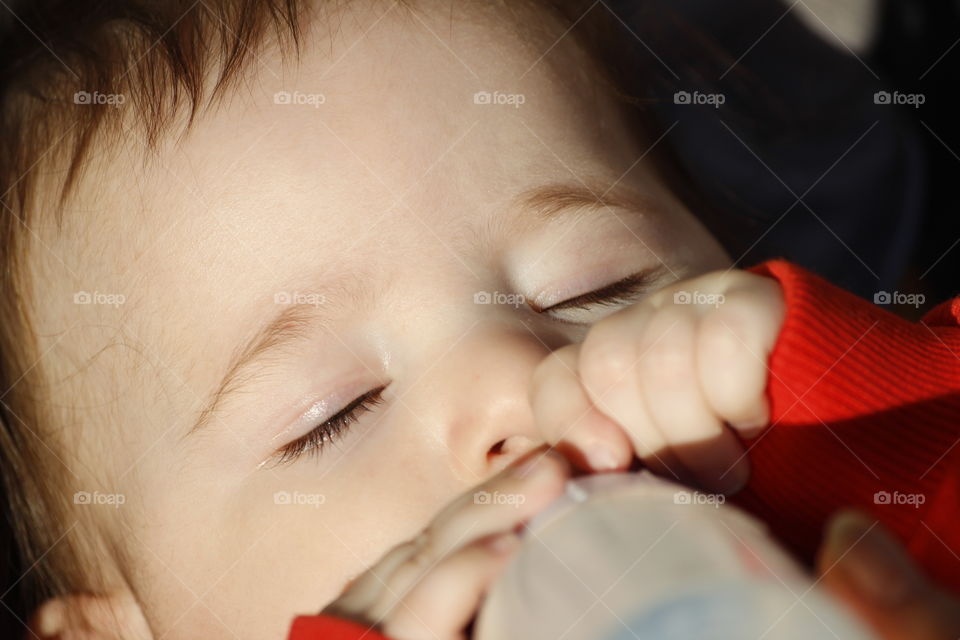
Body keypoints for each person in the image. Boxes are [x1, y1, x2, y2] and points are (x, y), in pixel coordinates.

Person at [0, 1, 954, 639]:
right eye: (334, 411)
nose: (518, 381)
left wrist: (847, 401)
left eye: (600, 286)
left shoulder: (815, 533)